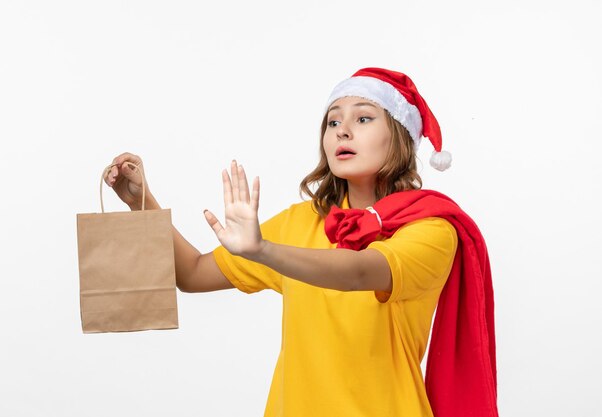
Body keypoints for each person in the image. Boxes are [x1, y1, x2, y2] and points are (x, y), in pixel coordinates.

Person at [104, 68, 498, 417]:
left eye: (363, 118)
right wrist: (143, 204)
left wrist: (264, 251)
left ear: (398, 137)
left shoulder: (430, 230)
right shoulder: (300, 224)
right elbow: (191, 274)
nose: (342, 130)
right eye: (332, 122)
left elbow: (360, 271)